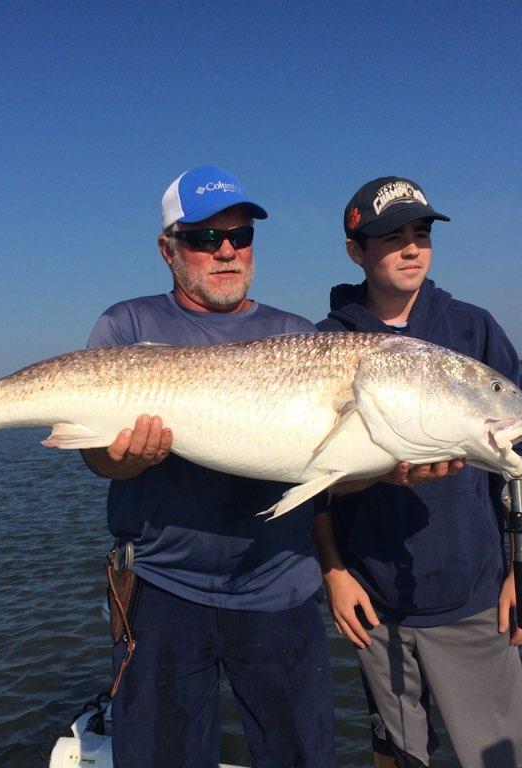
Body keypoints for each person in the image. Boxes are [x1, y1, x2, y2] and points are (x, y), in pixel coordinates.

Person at [80, 166, 335, 768]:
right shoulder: (127, 326)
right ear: (168, 250)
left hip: (281, 587)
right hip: (164, 591)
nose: (226, 251)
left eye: (240, 236)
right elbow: (97, 457)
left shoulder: (299, 338)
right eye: (203, 238)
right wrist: (120, 461)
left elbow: (331, 468)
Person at [313, 176, 522, 768]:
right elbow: (309, 481)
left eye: (422, 234)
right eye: (392, 237)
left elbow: (518, 466)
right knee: (396, 753)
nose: (412, 248)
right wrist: (336, 573)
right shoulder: (321, 344)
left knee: (501, 757)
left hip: (470, 594)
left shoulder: (472, 329)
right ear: (355, 249)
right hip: (373, 602)